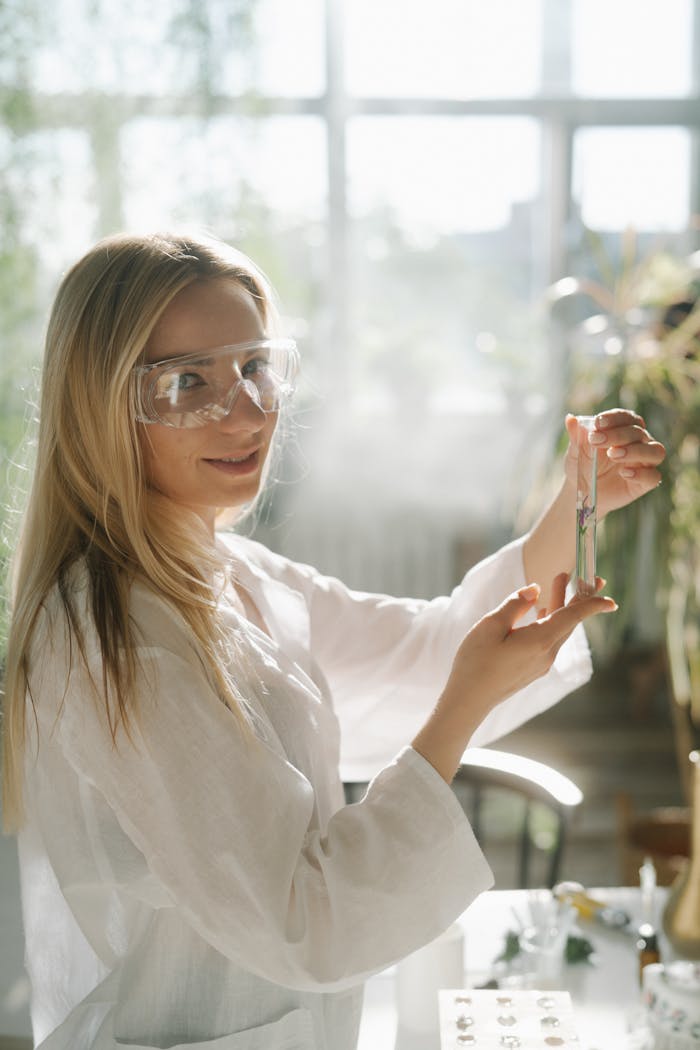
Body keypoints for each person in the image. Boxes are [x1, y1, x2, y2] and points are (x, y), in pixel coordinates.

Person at [1, 231, 665, 1050]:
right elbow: (305, 922)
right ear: (100, 404)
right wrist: (463, 708)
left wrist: (576, 500)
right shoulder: (119, 640)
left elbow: (423, 654)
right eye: (187, 382)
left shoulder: (225, 570)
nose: (247, 411)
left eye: (253, 366)